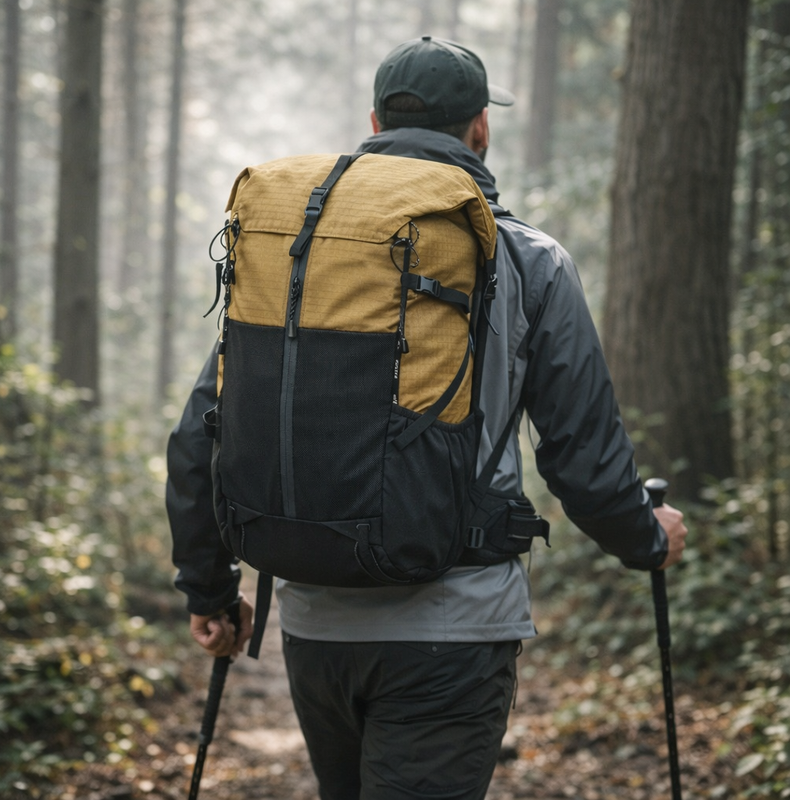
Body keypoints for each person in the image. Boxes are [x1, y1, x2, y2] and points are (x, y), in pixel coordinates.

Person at [167, 36, 688, 800]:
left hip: (314, 630)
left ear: (375, 121)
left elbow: (200, 433)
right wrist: (648, 540)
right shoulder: (529, 260)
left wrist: (208, 591)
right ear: (480, 129)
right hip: (455, 632)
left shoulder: (300, 256)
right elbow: (581, 455)